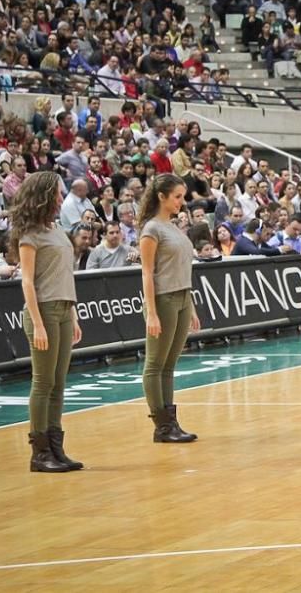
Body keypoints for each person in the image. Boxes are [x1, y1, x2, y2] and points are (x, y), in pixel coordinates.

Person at [9, 172, 84, 473]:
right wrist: (38, 323)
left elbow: (65, 276)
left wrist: (74, 314)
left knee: (59, 383)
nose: (60, 197)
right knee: (43, 382)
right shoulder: (29, 234)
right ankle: (39, 453)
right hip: (43, 311)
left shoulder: (58, 230)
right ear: (44, 194)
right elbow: (27, 282)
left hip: (65, 310)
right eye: (57, 192)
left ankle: (56, 447)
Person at [138, 174, 200, 444]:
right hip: (162, 299)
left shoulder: (174, 227)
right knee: (155, 364)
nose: (181, 202)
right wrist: (151, 312)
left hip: (182, 298)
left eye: (183, 196)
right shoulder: (152, 229)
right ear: (161, 196)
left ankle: (171, 422)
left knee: (169, 364)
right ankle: (161, 425)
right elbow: (147, 273)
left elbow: (183, 269)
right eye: (177, 196)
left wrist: (192, 305)